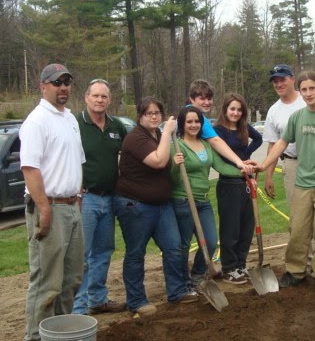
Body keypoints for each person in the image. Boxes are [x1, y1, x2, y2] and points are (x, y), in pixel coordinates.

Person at [258, 70, 315, 294]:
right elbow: (281, 143)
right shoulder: (297, 118)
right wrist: (264, 165)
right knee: (298, 230)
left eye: (312, 88)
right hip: (302, 184)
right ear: (300, 91)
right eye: (304, 89)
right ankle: (296, 271)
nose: (308, 93)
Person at [20, 63, 85, 341]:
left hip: (71, 206)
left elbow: (75, 162)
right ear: (43, 86)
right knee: (48, 280)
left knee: (71, 278)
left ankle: (60, 335)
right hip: (50, 208)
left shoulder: (69, 118)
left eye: (67, 82)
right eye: (57, 82)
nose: (63, 88)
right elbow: (30, 168)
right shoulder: (37, 121)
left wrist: (78, 198)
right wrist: (44, 209)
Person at [115, 97, 198, 317]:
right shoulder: (135, 138)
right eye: (148, 113)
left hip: (161, 205)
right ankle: (137, 300)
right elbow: (159, 161)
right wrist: (169, 132)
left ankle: (177, 291)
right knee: (136, 253)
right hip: (135, 206)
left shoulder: (158, 136)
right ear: (140, 117)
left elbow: (166, 165)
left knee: (173, 247)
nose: (153, 116)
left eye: (157, 113)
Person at [170, 106, 244, 289]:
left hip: (203, 201)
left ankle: (197, 274)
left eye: (197, 121)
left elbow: (221, 166)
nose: (194, 125)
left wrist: (243, 171)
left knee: (211, 241)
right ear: (182, 124)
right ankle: (183, 283)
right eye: (189, 122)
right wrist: (174, 165)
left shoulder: (206, 144)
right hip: (184, 201)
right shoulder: (177, 146)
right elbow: (171, 179)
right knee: (184, 245)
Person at [72, 79, 127, 316]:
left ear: (109, 100)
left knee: (104, 250)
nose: (99, 100)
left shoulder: (116, 126)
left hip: (110, 197)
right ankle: (79, 308)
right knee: (82, 253)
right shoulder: (75, 124)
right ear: (86, 97)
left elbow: (131, 152)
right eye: (95, 96)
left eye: (104, 97)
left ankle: (98, 298)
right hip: (86, 198)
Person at [213, 93, 263, 284]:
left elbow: (258, 138)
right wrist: (236, 161)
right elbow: (220, 152)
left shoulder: (243, 127)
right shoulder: (218, 130)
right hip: (229, 183)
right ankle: (229, 267)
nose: (235, 113)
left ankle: (241, 265)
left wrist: (246, 156)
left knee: (246, 226)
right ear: (225, 109)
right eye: (232, 109)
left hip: (247, 181)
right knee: (231, 228)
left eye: (239, 109)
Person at [187, 79, 256, 177]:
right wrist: (239, 162)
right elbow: (215, 141)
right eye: (202, 99)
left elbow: (219, 165)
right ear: (192, 99)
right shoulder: (196, 117)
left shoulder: (192, 113)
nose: (207, 102)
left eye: (209, 98)